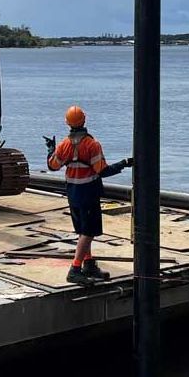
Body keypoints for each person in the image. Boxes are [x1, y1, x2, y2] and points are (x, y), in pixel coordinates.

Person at [45, 105, 132, 285]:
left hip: (72, 192)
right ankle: (75, 269)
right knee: (88, 231)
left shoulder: (64, 145)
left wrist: (50, 150)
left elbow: (53, 166)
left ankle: (88, 264)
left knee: (84, 230)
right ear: (84, 120)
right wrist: (124, 163)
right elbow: (102, 170)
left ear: (67, 123)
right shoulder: (92, 145)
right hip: (88, 192)